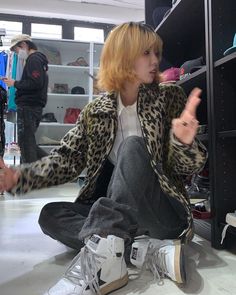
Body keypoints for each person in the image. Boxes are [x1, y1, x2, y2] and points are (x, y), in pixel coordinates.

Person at [0, 22, 207, 295]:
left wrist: (182, 143)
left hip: (163, 213)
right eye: (146, 53)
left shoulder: (168, 97)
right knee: (50, 214)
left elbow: (190, 167)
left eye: (156, 53)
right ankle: (137, 248)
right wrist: (19, 177)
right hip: (123, 216)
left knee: (132, 147)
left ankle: (110, 258)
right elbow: (66, 160)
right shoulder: (95, 111)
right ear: (122, 56)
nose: (155, 60)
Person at [3, 34, 48, 163]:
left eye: (16, 50)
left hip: (29, 107)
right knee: (28, 144)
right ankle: (53, 165)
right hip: (33, 107)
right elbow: (36, 82)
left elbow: (35, 83)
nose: (17, 53)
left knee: (27, 145)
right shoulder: (38, 60)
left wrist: (15, 83)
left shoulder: (34, 60)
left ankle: (52, 166)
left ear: (23, 45)